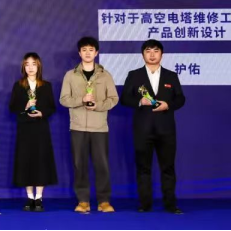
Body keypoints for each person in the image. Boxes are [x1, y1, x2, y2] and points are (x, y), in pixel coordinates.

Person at [121, 39, 186, 214]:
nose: (152, 54)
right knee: (143, 168)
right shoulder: (134, 75)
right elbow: (124, 98)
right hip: (143, 130)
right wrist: (139, 101)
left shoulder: (171, 76)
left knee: (168, 168)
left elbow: (181, 98)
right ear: (143, 54)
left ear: (161, 54)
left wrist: (168, 105)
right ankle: (145, 204)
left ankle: (170, 204)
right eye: (148, 51)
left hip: (166, 130)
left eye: (156, 51)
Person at [59, 37, 118, 213]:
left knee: (102, 165)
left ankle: (104, 201)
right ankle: (83, 201)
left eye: (91, 50)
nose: (87, 53)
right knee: (79, 165)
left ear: (96, 52)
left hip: (99, 128)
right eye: (84, 50)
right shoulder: (70, 75)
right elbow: (64, 99)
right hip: (77, 127)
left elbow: (114, 99)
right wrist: (81, 100)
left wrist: (97, 105)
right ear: (79, 53)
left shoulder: (105, 75)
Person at [9, 52, 57, 212]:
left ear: (39, 66)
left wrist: (42, 113)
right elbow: (12, 107)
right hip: (25, 129)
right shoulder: (18, 85)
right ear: (23, 67)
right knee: (26, 161)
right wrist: (25, 106)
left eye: (33, 64)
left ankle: (39, 197)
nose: (30, 67)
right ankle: (30, 197)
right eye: (27, 64)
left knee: (41, 162)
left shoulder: (46, 85)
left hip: (41, 129)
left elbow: (52, 107)